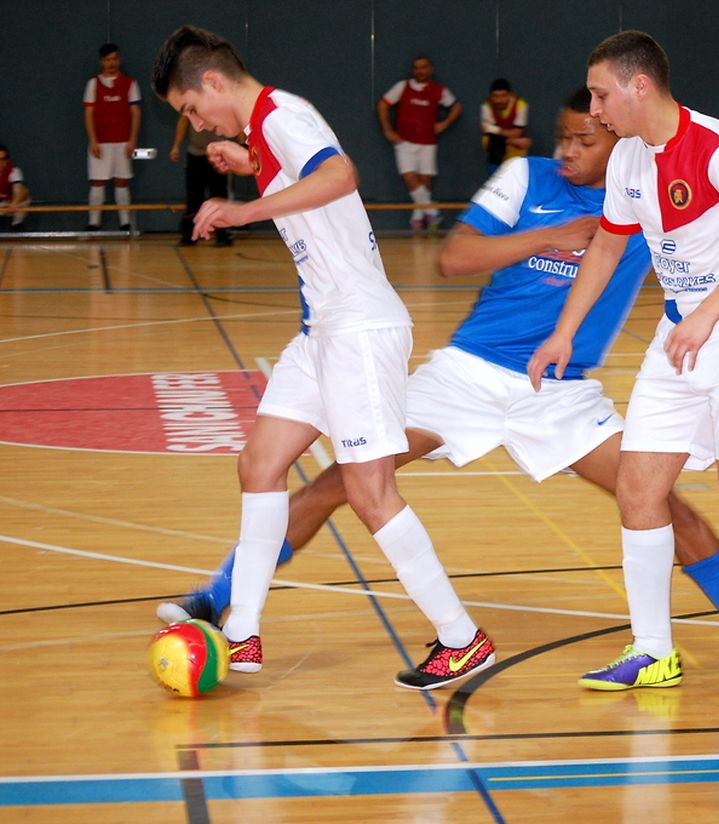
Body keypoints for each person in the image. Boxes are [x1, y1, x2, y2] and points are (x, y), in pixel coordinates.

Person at [156, 87, 719, 688]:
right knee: (344, 480)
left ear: (619, 138)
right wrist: (549, 234)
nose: (568, 151)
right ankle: (218, 598)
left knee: (658, 503)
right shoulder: (525, 177)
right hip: (464, 376)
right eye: (562, 137)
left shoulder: (644, 188)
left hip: (560, 393)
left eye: (584, 140)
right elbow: (454, 258)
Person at [150, 25, 495, 689]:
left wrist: (244, 210)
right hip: (322, 332)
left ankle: (461, 639)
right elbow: (302, 176)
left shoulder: (281, 113)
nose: (195, 123)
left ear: (213, 82)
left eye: (192, 109)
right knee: (260, 464)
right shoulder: (266, 130)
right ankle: (243, 631)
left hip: (359, 329)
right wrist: (248, 163)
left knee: (369, 491)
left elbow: (339, 175)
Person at [527, 32, 719, 726]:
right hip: (679, 334)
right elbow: (608, 246)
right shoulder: (628, 156)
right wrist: (564, 331)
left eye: (601, 95)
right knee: (638, 489)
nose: (594, 110)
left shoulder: (715, 145)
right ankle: (654, 650)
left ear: (639, 86)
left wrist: (709, 314)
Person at [377, 56, 461, 231]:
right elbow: (383, 105)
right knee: (409, 178)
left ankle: (418, 217)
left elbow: (456, 106)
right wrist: (388, 130)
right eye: (416, 68)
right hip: (404, 142)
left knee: (425, 181)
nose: (420, 71)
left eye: (423, 67)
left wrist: (445, 123)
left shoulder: (438, 90)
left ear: (430, 69)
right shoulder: (402, 87)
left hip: (428, 143)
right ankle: (433, 212)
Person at [83, 43, 141, 232]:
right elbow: (88, 114)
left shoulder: (130, 83)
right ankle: (94, 223)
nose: (111, 63)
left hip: (123, 141)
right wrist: (93, 140)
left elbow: (136, 113)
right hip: (100, 142)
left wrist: (132, 140)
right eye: (108, 59)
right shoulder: (93, 84)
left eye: (115, 59)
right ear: (101, 62)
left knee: (121, 181)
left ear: (119, 60)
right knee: (97, 182)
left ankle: (125, 223)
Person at [169, 114, 232, 246]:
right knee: (194, 196)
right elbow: (183, 121)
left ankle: (223, 233)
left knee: (219, 195)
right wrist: (176, 146)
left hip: (218, 154)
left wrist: (242, 145)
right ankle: (190, 235)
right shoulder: (191, 107)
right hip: (196, 154)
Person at [480, 78, 531, 175]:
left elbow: (517, 133)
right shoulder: (486, 105)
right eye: (495, 96)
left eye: (503, 96)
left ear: (510, 95)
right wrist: (514, 141)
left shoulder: (520, 105)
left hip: (516, 151)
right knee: (494, 145)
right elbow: (492, 136)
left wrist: (494, 130)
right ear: (491, 96)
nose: (499, 100)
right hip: (499, 149)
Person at [0, 145, 31, 231]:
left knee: (24, 192)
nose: (0, 162)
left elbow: (18, 188)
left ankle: (17, 224)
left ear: (7, 161)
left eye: (2, 159)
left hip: (8, 204)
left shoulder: (13, 171)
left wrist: (14, 203)